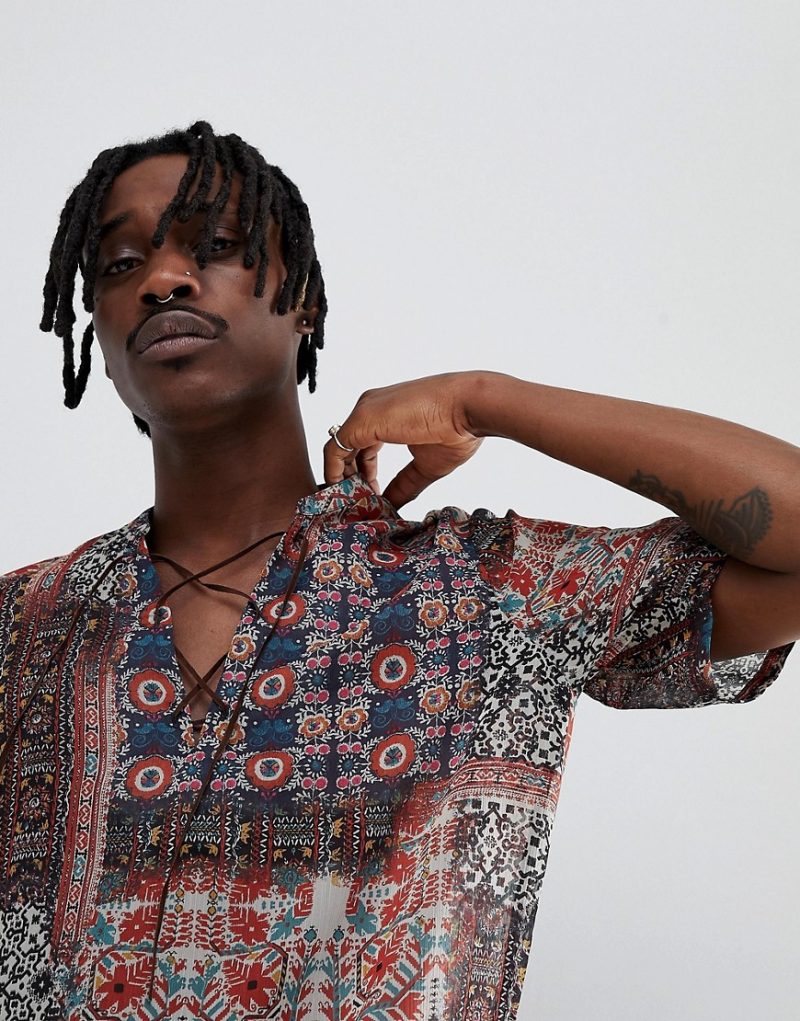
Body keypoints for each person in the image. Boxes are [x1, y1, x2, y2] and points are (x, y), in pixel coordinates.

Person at [0, 120, 796, 1021]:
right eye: (120, 264)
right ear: (98, 341)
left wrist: (486, 399)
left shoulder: (485, 591)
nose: (163, 279)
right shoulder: (26, 624)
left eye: (214, 244)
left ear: (303, 301)